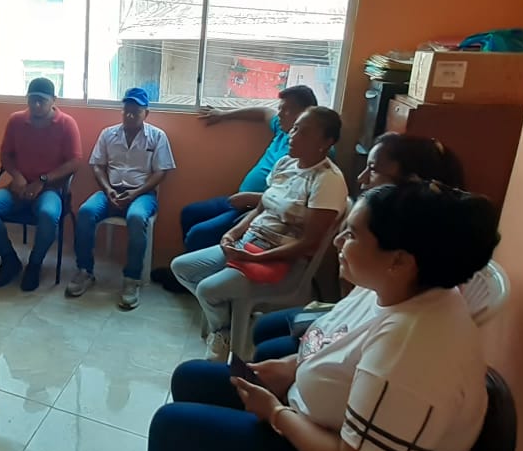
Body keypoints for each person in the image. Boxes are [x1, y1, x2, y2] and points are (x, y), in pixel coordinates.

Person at [148, 182, 499, 451]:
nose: (337, 241)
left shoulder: (413, 352)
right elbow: (339, 341)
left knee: (172, 427)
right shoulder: (387, 286)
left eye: (352, 235)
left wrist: (277, 413)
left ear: (400, 260)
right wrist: (290, 367)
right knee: (190, 377)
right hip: (310, 416)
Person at [250, 133, 467, 361]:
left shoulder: (412, 254)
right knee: (264, 328)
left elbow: (371, 326)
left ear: (410, 184)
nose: (361, 178)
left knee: (268, 351)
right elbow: (353, 301)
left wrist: (303, 362)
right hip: (353, 315)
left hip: (362, 329)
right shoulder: (377, 223)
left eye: (372, 169)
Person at [172, 107, 348, 363]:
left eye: (304, 132)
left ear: (326, 142)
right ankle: (226, 327)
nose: (293, 135)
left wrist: (257, 259)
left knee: (208, 289)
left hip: (282, 262)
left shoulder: (327, 180)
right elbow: (261, 208)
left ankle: (223, 334)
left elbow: (309, 243)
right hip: (249, 244)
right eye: (295, 128)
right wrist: (233, 234)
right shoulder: (285, 164)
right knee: (181, 268)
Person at [68, 88, 176, 310]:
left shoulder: (157, 137)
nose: (130, 115)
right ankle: (85, 271)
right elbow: (97, 166)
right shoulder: (108, 134)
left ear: (146, 113)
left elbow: (161, 172)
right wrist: (108, 189)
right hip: (111, 191)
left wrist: (135, 193)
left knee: (136, 217)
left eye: (136, 112)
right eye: (126, 111)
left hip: (142, 194)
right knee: (86, 212)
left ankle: (131, 279)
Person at [177, 85, 318, 253]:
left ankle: (203, 266)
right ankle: (188, 264)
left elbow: (297, 199)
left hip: (261, 210)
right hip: (241, 199)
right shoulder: (283, 130)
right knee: (189, 213)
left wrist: (254, 198)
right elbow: (263, 112)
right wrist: (223, 115)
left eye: (286, 110)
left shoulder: (312, 152)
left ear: (306, 114)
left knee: (198, 234)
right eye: (280, 108)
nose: (279, 114)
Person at [0, 77, 83, 291]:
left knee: (48, 215)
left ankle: (35, 264)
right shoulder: (16, 120)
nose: (36, 105)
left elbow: (75, 161)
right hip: (19, 187)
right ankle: (9, 259)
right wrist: (17, 177)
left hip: (50, 189)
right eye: (32, 99)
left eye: (41, 100)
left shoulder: (66, 123)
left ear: (53, 100)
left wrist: (43, 181)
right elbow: (6, 155)